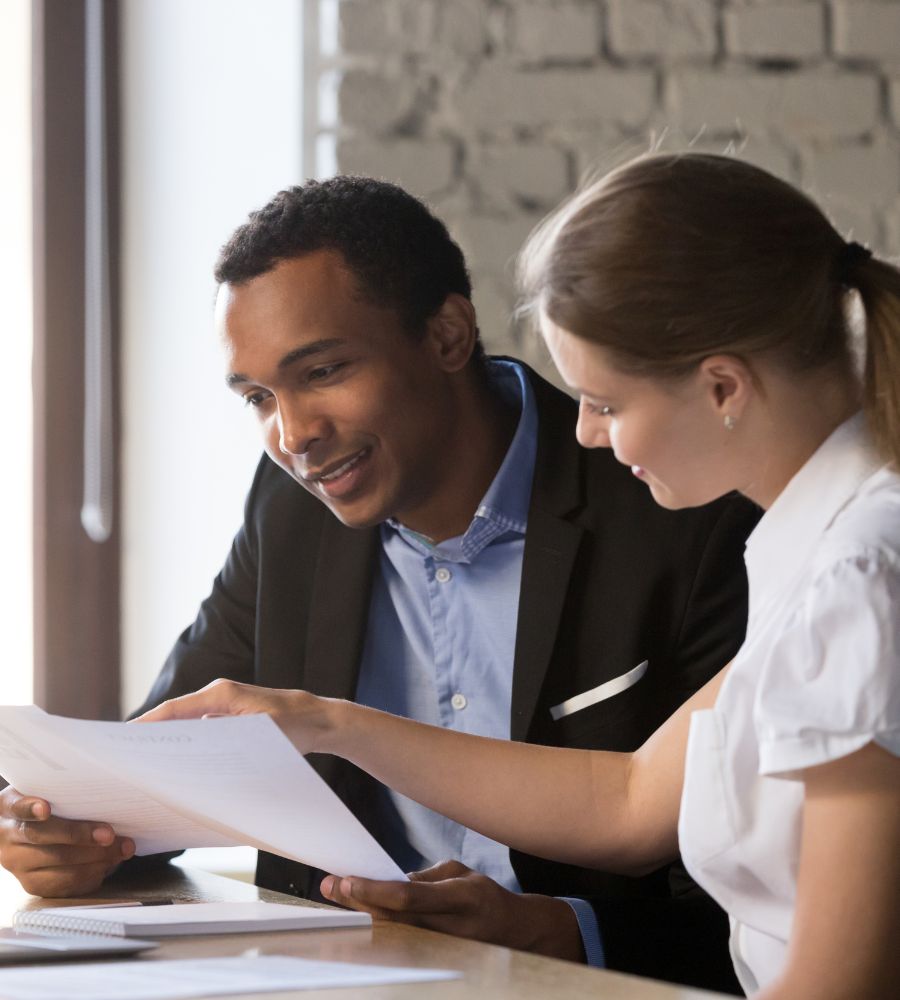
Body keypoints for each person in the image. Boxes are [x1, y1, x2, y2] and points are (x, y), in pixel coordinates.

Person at [138, 154, 900, 1000]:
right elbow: (630, 798)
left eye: (605, 404)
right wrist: (322, 722)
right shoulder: (818, 552)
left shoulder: (856, 577)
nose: (585, 436)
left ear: (722, 385)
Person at [0, 177, 758, 991]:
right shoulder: (289, 513)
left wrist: (566, 930)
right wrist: (73, 840)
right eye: (259, 397)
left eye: (322, 371)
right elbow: (165, 763)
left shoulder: (680, 510)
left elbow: (762, 898)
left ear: (447, 334)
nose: (293, 436)